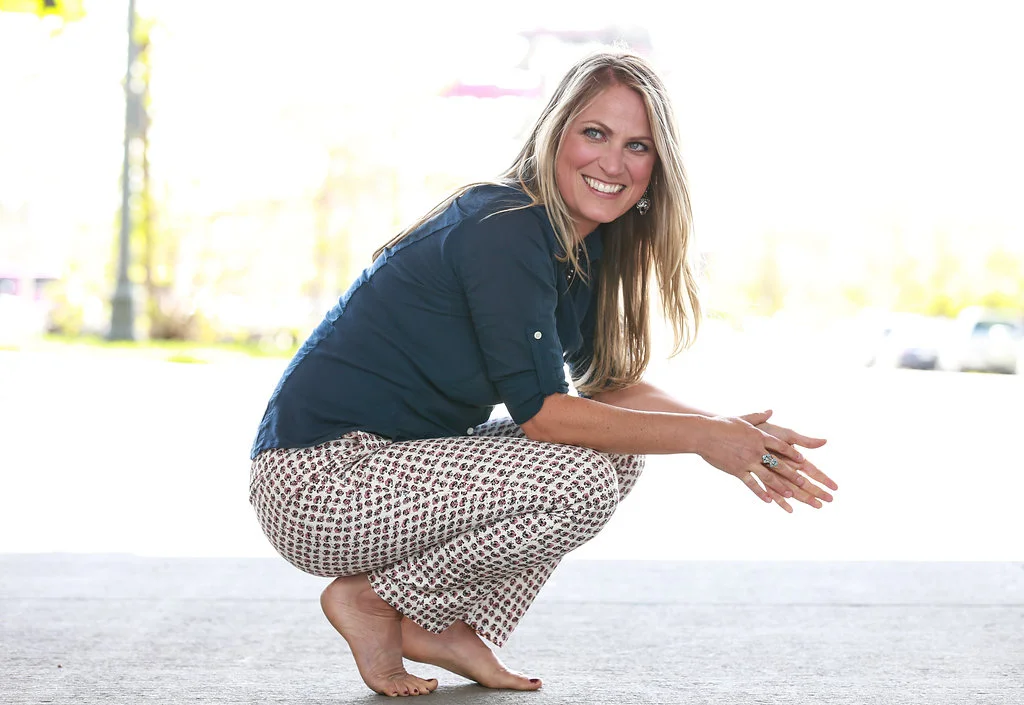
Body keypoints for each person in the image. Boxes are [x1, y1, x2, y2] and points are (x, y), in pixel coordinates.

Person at [248, 49, 838, 697]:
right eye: (595, 133)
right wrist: (703, 438)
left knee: (617, 456)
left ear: (657, 166)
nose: (613, 163)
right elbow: (544, 413)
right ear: (555, 134)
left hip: (387, 465)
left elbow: (609, 386)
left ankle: (442, 623)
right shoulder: (506, 227)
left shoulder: (581, 241)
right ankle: (379, 600)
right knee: (582, 473)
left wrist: (725, 428)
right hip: (318, 483)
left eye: (637, 145)